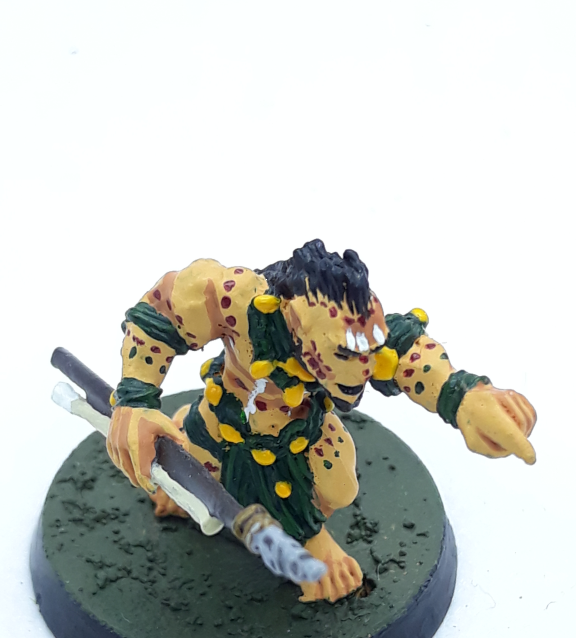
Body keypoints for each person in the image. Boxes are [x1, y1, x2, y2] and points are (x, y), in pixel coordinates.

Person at [106, 239, 536, 602]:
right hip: (226, 419)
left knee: (338, 485)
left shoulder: (358, 333)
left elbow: (401, 351)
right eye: (345, 354)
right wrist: (135, 400)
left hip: (303, 431)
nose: (364, 369)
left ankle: (293, 519)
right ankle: (192, 441)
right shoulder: (236, 298)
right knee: (191, 480)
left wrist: (461, 397)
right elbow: (161, 311)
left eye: (366, 352)